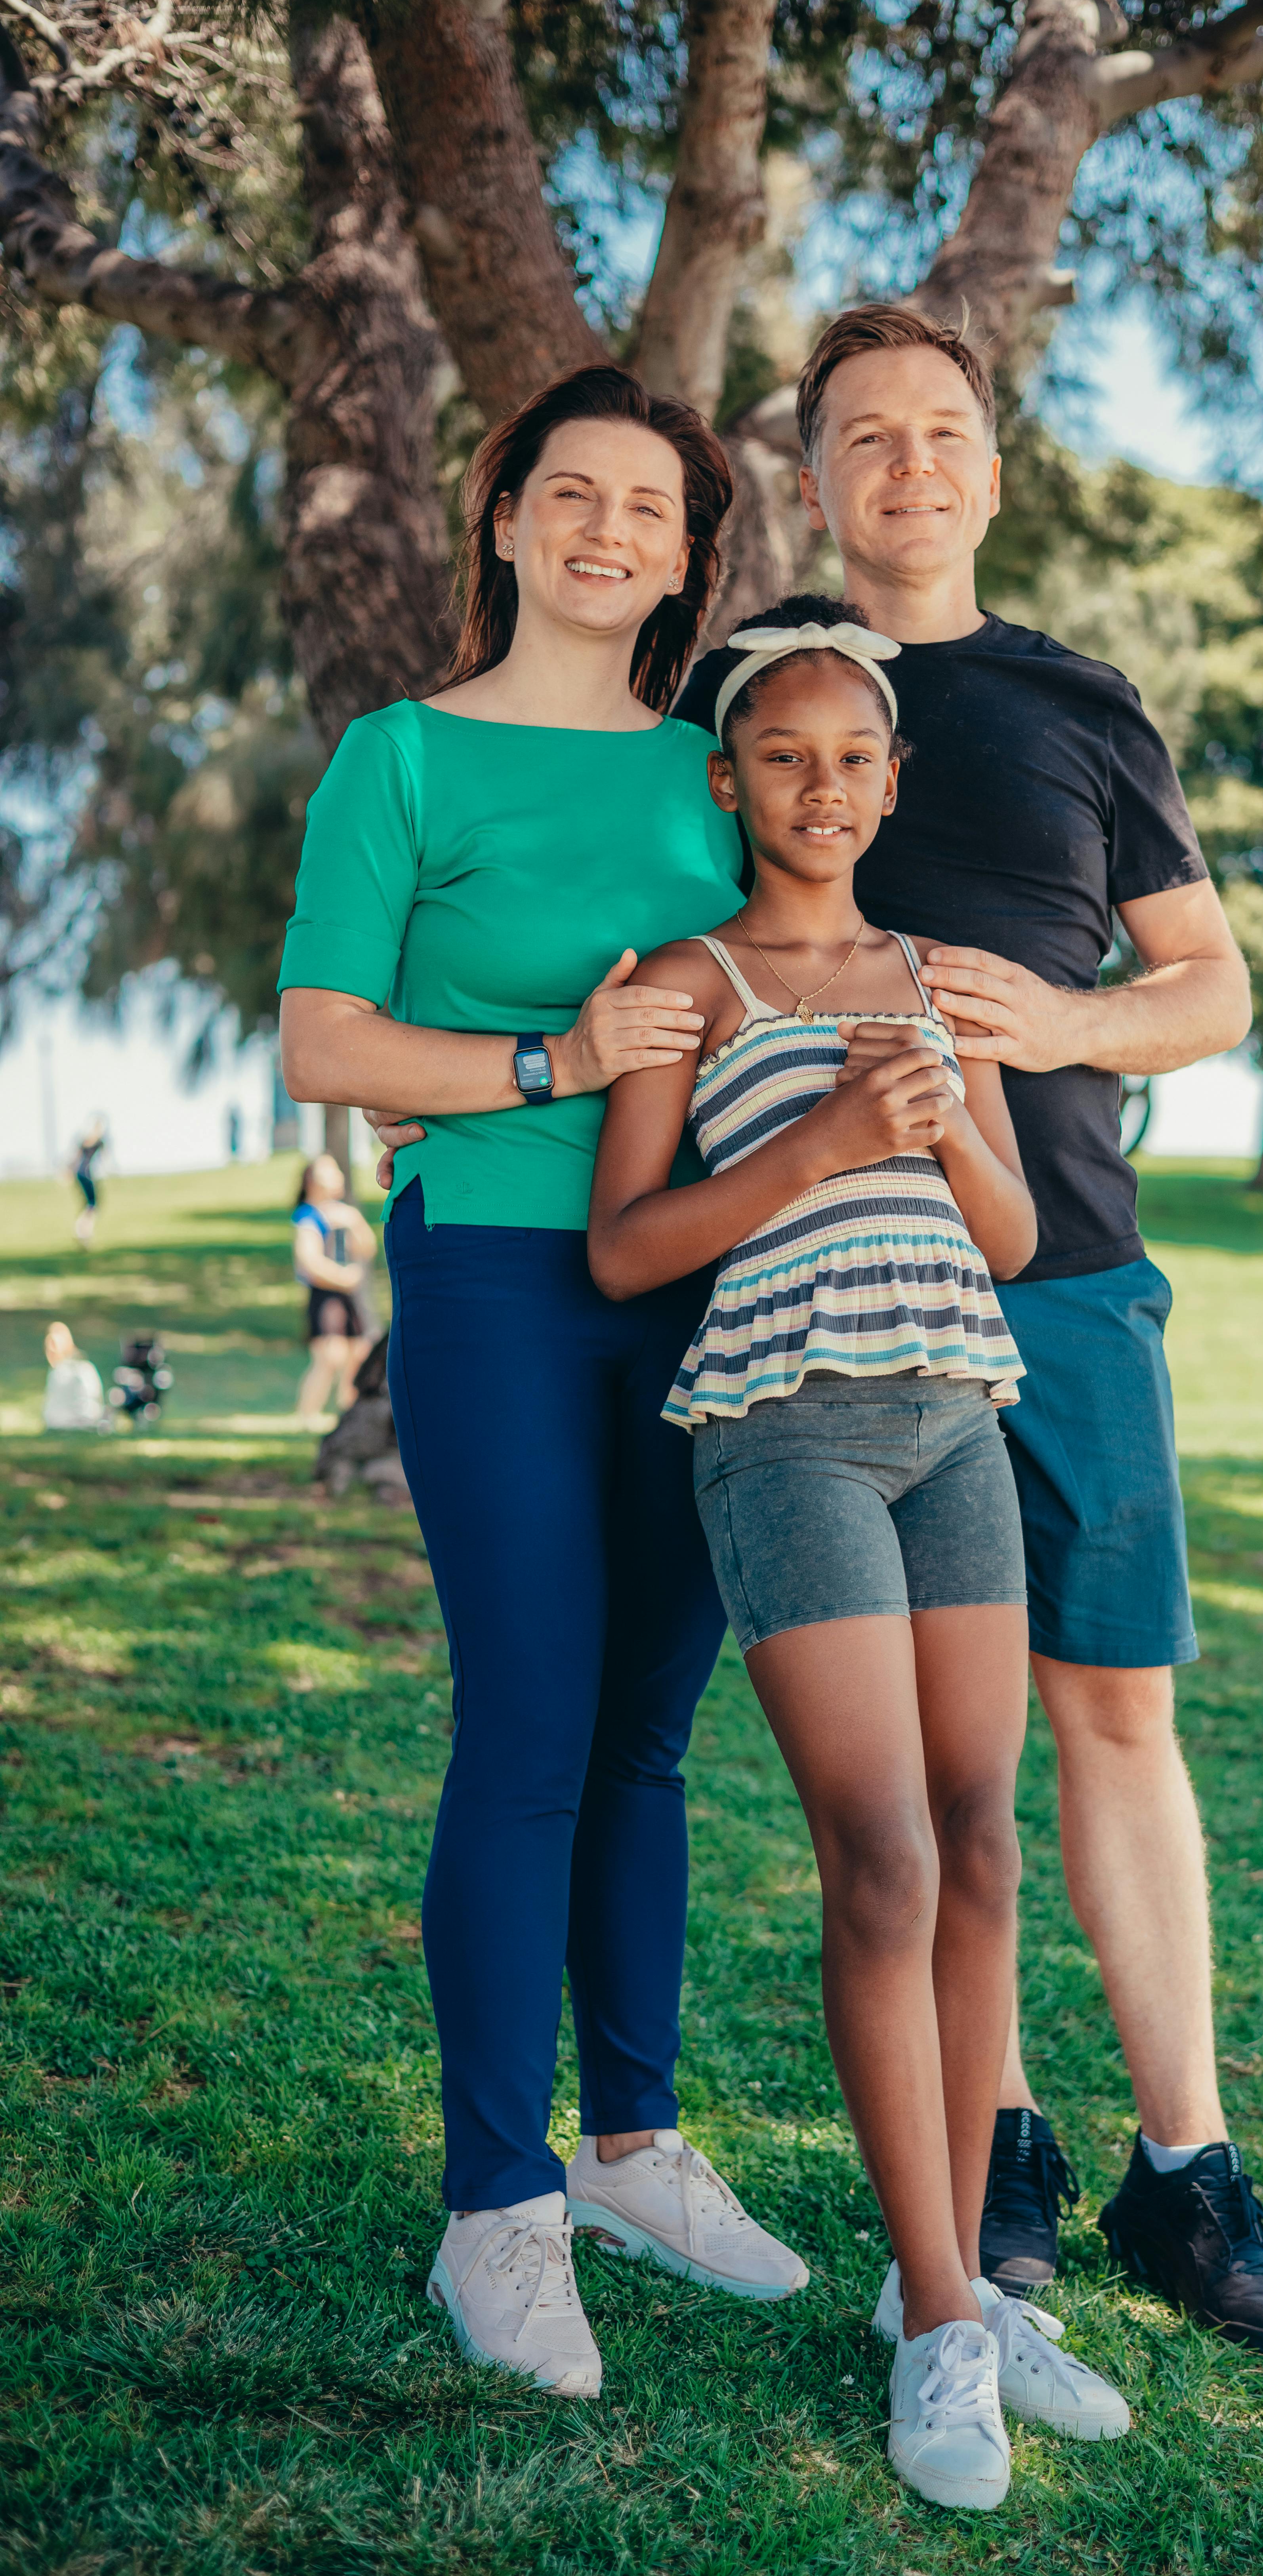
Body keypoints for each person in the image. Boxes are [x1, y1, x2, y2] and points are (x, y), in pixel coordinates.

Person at [678, 306, 1263, 2361]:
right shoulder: (753, 695)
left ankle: (1187, 2168)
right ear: (818, 477)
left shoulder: (1079, 706)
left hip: (1071, 1279)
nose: (909, 466)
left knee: (1112, 1714)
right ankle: (1004, 2139)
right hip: (833, 1312)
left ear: (992, 466)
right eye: (865, 437)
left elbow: (1210, 987)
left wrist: (1065, 1022)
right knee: (947, 1764)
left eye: (942, 432)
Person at [276, 363, 807, 2402]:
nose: (604, 530)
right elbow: (328, 1044)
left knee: (649, 1736)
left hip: (703, 1289)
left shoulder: (711, 774)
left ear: (689, 561)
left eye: (647, 510)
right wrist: (547, 1068)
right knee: (527, 1722)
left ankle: (632, 2153)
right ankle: (492, 2209)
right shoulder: (398, 758)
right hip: (496, 1262)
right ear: (499, 518)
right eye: (566, 493)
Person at [590, 600, 1129, 2508]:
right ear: (730, 782)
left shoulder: (934, 977)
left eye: (855, 759)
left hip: (952, 1414)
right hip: (781, 1430)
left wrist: (933, 1124)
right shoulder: (687, 981)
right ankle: (936, 2311)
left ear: (895, 784)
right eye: (785, 758)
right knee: (884, 1852)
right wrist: (816, 1144)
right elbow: (629, 1247)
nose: (823, 786)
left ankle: (961, 2283)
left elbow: (998, 1232)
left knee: (985, 1837)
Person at [291, 1152, 378, 1416]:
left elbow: (368, 1249)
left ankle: (348, 1412)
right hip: (326, 1295)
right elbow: (309, 1261)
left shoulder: (344, 1214)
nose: (336, 1177)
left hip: (348, 1294)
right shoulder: (309, 1217)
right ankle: (308, 1413)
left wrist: (354, 1223)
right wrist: (342, 1278)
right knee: (330, 1356)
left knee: (358, 1354)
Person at [42, 1322, 109, 1432]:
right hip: (58, 1425)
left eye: (54, 1345)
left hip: (77, 1424)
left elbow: (90, 1404)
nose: (51, 1351)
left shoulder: (82, 1369)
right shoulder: (55, 1371)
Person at [69, 1117, 107, 1245]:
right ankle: (83, 1233)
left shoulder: (87, 1141)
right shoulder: (93, 1142)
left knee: (90, 1205)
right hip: (85, 1175)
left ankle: (84, 1233)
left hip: (82, 1174)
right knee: (92, 1205)